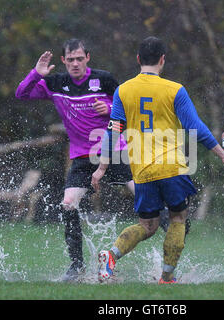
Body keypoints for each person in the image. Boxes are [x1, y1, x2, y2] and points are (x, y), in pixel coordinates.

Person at [91, 36, 224, 284]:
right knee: (178, 218)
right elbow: (196, 128)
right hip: (172, 167)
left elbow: (112, 130)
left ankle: (112, 254)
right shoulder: (175, 90)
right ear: (162, 60)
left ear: (138, 60)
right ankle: (167, 276)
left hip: (143, 171)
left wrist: (102, 167)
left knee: (147, 226)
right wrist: (223, 155)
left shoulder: (122, 91)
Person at [15, 39, 134, 281]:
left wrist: (110, 108)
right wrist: (35, 74)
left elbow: (129, 109)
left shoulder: (104, 79)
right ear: (63, 61)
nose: (75, 63)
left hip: (113, 151)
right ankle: (77, 265)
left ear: (88, 57)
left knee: (142, 195)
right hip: (82, 157)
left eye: (80, 58)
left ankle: (171, 235)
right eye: (70, 60)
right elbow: (22, 94)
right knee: (68, 204)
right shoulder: (56, 82)